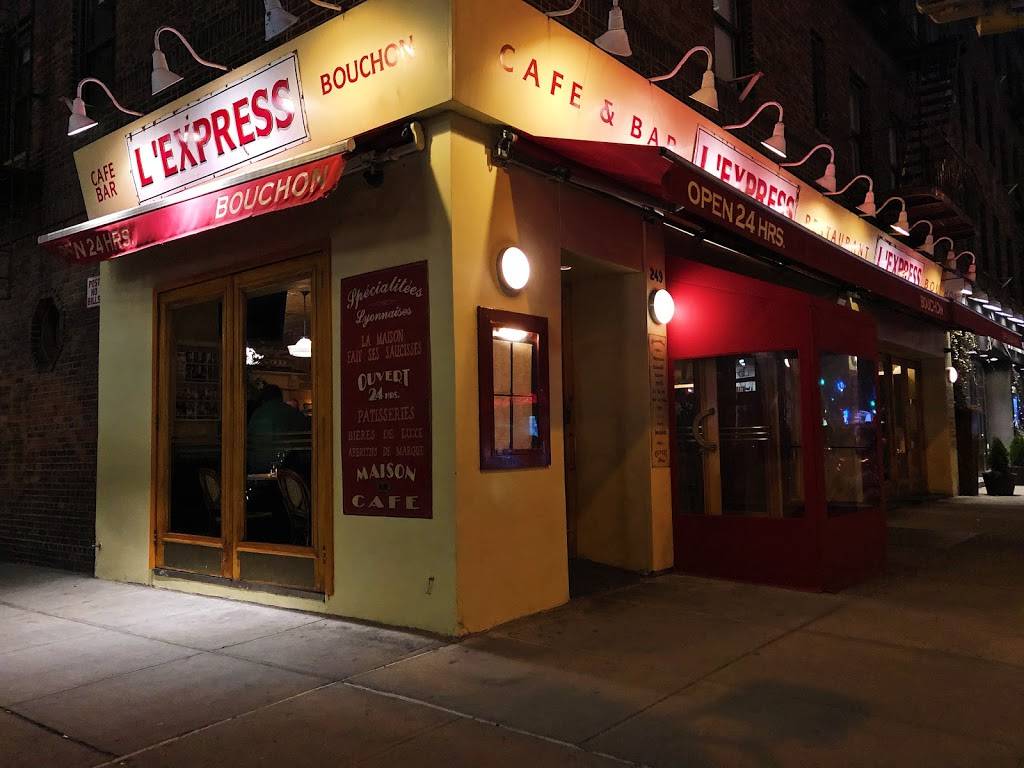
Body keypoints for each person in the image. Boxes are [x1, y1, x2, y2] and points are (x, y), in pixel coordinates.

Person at [247, 384, 310, 474]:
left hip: (257, 471)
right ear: (280, 398)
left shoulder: (256, 415)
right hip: (289, 473)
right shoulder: (294, 414)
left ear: (263, 399)